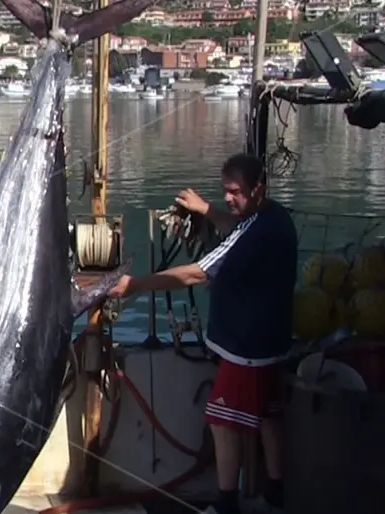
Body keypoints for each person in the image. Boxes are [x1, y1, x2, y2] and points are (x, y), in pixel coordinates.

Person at [107, 154, 297, 514]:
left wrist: (134, 284)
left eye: (236, 192)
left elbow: (197, 273)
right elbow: (235, 228)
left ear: (260, 188)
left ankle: (226, 503)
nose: (229, 198)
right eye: (225, 191)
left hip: (247, 350)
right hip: (270, 343)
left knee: (221, 421)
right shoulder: (272, 218)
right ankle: (275, 492)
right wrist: (205, 209)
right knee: (268, 416)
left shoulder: (255, 232)